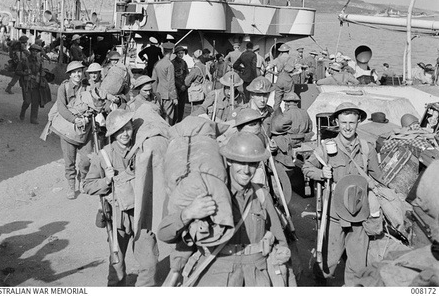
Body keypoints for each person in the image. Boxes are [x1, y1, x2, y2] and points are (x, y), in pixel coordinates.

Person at [157, 131, 290, 287]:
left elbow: (281, 241)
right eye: (241, 163)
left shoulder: (261, 195)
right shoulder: (208, 192)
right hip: (216, 271)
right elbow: (164, 234)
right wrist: (188, 213)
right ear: (229, 162)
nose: (247, 171)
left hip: (256, 275)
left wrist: (283, 255)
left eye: (252, 164)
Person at [302, 102, 383, 286]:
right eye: (344, 122)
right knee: (327, 265)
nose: (347, 127)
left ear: (358, 122)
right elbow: (307, 167)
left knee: (357, 266)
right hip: (334, 216)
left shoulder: (366, 148)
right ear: (337, 122)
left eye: (352, 123)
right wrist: (321, 173)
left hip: (359, 215)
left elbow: (378, 178)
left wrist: (374, 194)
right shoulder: (326, 147)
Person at [84, 109, 159, 287]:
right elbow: (87, 185)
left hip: (142, 215)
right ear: (113, 133)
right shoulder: (104, 155)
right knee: (117, 265)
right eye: (120, 131)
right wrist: (107, 180)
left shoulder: (141, 149)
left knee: (150, 263)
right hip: (117, 217)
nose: (125, 134)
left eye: (127, 129)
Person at [57, 61, 93, 199]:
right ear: (70, 74)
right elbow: (61, 108)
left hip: (85, 129)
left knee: (86, 159)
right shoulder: (64, 88)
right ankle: (71, 186)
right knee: (69, 160)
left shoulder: (87, 87)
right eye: (74, 72)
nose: (77, 74)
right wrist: (74, 119)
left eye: (79, 71)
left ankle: (83, 178)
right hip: (68, 128)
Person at [15, 43, 47, 124]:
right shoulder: (24, 60)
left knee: (35, 102)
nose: (35, 53)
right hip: (27, 84)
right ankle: (22, 112)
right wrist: (26, 73)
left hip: (36, 84)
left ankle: (33, 118)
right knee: (27, 101)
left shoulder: (39, 61)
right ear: (30, 51)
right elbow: (17, 71)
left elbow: (41, 70)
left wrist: (42, 75)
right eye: (33, 51)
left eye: (36, 51)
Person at [152, 42, 178, 125]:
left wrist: (154, 93)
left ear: (163, 51)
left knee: (159, 115)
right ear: (172, 51)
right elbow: (171, 82)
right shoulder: (170, 64)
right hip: (168, 95)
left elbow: (154, 80)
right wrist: (174, 97)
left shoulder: (157, 63)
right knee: (168, 117)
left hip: (159, 93)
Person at [266, 43, 296, 111]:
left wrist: (274, 73)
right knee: (289, 99)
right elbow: (299, 70)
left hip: (279, 79)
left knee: (277, 99)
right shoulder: (292, 59)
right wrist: (292, 74)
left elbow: (267, 68)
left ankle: (275, 114)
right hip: (288, 79)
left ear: (281, 52)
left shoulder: (277, 59)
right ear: (288, 51)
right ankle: (287, 112)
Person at [172, 46, 189, 123]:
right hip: (176, 88)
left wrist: (185, 85)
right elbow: (172, 77)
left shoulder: (184, 63)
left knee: (182, 107)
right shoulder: (172, 63)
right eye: (179, 53)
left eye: (182, 53)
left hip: (183, 88)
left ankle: (179, 121)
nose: (180, 55)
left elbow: (187, 75)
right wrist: (180, 86)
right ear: (176, 54)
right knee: (175, 107)